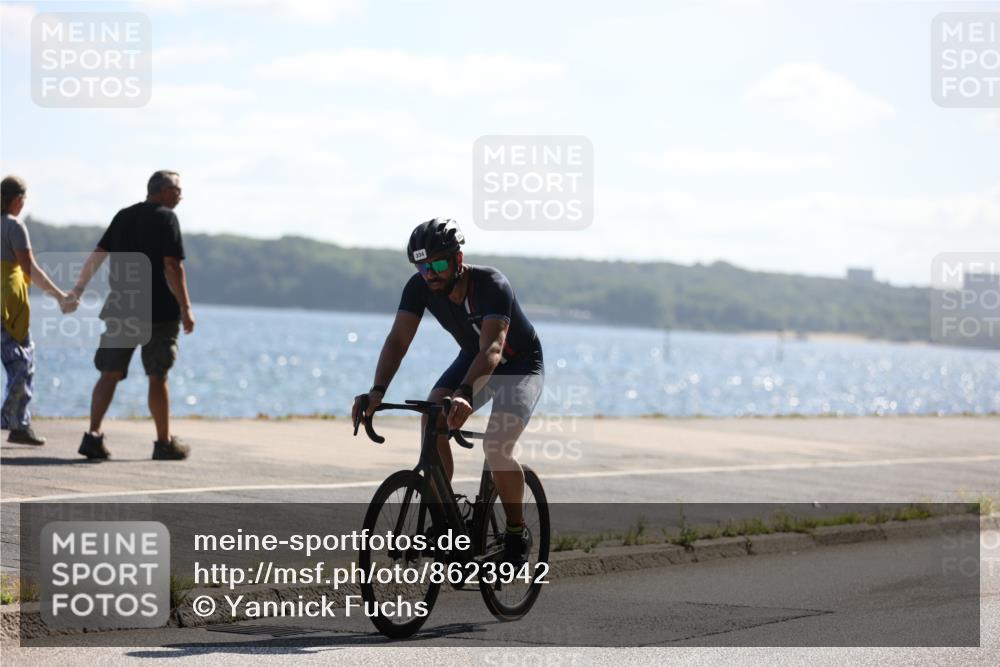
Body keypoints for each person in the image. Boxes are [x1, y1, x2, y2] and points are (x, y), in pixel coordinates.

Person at [352, 218, 544, 565]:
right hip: (472, 358)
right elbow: (398, 340)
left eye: (438, 264)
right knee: (432, 418)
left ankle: (516, 533)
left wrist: (465, 395)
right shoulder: (419, 287)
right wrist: (377, 390)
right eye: (422, 266)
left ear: (458, 259)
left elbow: (493, 351)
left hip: (517, 367)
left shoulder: (491, 285)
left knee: (496, 447)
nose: (430, 274)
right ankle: (448, 518)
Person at [67, 170, 195, 461]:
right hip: (158, 312)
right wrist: (186, 308)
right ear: (161, 190)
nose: (180, 195)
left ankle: (93, 436)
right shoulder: (167, 218)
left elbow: (98, 254)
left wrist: (78, 289)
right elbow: (172, 266)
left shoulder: (123, 216)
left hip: (121, 308)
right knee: (157, 375)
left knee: (109, 373)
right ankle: (164, 443)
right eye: (177, 189)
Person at [1, 175, 74, 445]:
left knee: (23, 363)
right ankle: (12, 420)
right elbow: (30, 268)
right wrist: (59, 296)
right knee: (23, 364)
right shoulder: (14, 226)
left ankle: (18, 424)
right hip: (8, 308)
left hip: (9, 307)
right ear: (18, 200)